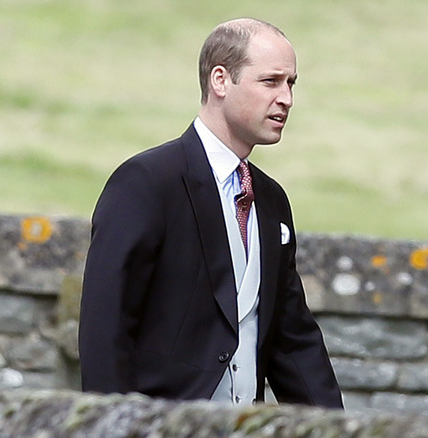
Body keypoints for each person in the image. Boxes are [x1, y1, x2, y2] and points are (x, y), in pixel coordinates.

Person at [78, 18, 343, 408]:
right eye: (271, 82)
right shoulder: (147, 182)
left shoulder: (271, 200)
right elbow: (105, 327)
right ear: (220, 80)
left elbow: (293, 340)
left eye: (291, 83)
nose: (286, 98)